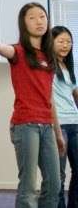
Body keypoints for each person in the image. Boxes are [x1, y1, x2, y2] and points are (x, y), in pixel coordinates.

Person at [0, 1, 64, 207]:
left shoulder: (49, 57)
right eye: (32, 17)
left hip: (47, 126)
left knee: (55, 183)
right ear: (24, 24)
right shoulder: (18, 52)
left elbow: (49, 99)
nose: (39, 21)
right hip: (25, 125)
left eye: (42, 16)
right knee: (29, 185)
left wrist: (57, 132)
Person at [50, 26, 77, 208]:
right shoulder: (47, 67)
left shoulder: (68, 67)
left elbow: (75, 94)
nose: (65, 45)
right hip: (58, 125)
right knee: (58, 175)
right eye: (61, 41)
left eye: (68, 41)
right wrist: (57, 128)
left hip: (75, 123)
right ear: (51, 42)